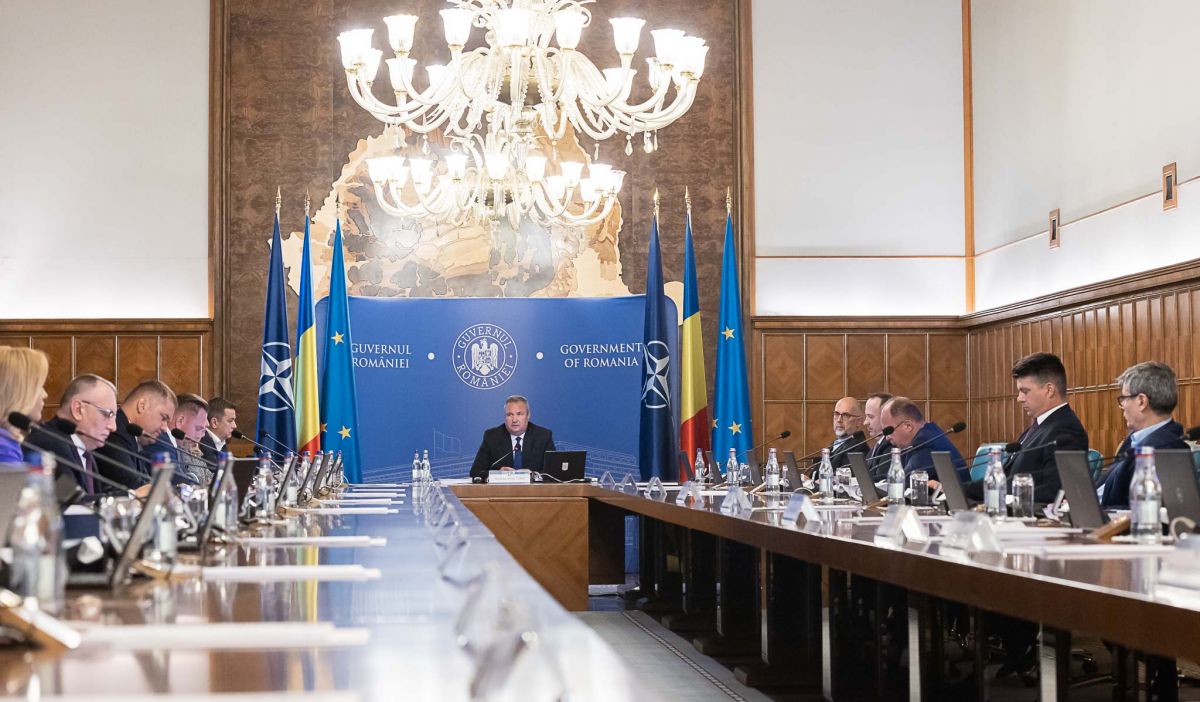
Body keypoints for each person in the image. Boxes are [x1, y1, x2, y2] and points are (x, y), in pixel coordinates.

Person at [964, 352, 1088, 504]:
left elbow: (1055, 491)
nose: (1019, 398)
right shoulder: (1038, 427)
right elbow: (1004, 480)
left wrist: (1003, 498)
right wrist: (957, 489)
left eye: (1025, 391)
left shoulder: (1065, 430)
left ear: (1049, 390)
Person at [1099, 361, 1187, 508]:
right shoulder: (1134, 439)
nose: (1122, 406)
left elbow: (1139, 508)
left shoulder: (1165, 448)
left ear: (1141, 401)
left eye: (1124, 399)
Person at [24, 374, 119, 502]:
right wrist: (131, 496)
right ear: (78, 409)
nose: (113, 427)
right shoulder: (48, 443)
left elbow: (94, 494)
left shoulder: (82, 448)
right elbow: (71, 501)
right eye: (108, 414)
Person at [99, 379, 177, 489]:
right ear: (142, 405)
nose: (165, 429)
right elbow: (133, 485)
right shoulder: (114, 432)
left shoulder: (131, 436)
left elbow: (145, 481)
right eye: (163, 418)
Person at [470, 395, 556, 480]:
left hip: (533, 488)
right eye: (510, 414)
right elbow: (475, 472)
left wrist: (533, 475)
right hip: (502, 488)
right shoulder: (492, 437)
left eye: (519, 414)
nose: (514, 420)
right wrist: (497, 474)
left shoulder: (543, 436)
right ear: (505, 417)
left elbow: (553, 473)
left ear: (528, 415)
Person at [880, 397, 966, 481]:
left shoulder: (925, 442)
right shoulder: (926, 434)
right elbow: (900, 474)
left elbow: (905, 481)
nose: (886, 438)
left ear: (908, 426)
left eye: (889, 431)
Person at [0, 347, 49, 464]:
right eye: (39, 386)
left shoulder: (8, 441)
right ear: (19, 392)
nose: (45, 394)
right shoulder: (4, 450)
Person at [167, 394, 211, 485]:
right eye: (198, 428)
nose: (200, 436)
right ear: (180, 421)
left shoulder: (181, 446)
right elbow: (180, 482)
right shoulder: (162, 443)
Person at [813, 396, 866, 471]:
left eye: (846, 415)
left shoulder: (859, 449)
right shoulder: (833, 445)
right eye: (836, 414)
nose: (839, 420)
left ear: (859, 421)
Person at [862, 392, 894, 480]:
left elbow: (881, 480)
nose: (865, 422)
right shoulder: (877, 445)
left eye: (871, 417)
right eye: (866, 416)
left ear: (886, 417)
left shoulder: (891, 445)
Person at [201, 397, 237, 464]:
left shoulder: (221, 442)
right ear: (214, 422)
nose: (235, 426)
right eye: (230, 421)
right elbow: (215, 468)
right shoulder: (202, 443)